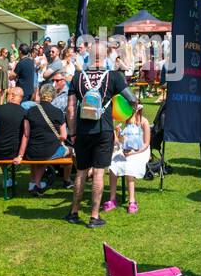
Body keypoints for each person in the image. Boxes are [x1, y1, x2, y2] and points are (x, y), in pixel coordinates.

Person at [63, 42, 136, 227]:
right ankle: (94, 216)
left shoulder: (77, 78)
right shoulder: (114, 77)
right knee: (98, 173)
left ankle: (74, 212)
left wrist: (72, 133)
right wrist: (120, 119)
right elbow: (132, 99)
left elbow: (70, 108)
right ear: (105, 56)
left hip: (81, 132)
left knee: (80, 172)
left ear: (89, 55)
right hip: (103, 130)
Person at [104, 106, 150, 215]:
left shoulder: (144, 122)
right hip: (126, 150)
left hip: (141, 151)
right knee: (113, 164)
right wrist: (119, 134)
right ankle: (112, 199)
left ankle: (132, 201)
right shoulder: (127, 120)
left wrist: (133, 153)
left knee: (129, 166)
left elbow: (146, 143)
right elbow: (123, 140)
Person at [0, 85, 26, 161]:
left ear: (12, 96)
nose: (7, 97)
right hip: (16, 152)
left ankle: (5, 171)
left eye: (8, 94)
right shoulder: (24, 113)